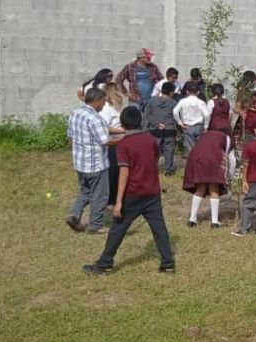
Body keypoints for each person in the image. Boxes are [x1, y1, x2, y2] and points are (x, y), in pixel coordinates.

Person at [83, 106, 175, 275]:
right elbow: (155, 160)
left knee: (117, 229)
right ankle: (167, 263)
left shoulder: (124, 145)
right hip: (152, 192)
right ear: (140, 121)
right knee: (159, 228)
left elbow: (124, 174)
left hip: (133, 194)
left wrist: (118, 202)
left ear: (122, 124)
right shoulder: (150, 139)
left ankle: (104, 264)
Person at [66, 87, 112, 234]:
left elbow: (70, 138)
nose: (104, 105)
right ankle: (95, 225)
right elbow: (105, 141)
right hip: (96, 165)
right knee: (100, 195)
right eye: (103, 101)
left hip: (80, 163)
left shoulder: (75, 113)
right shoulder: (96, 119)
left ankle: (74, 214)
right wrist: (124, 139)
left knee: (85, 191)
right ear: (97, 101)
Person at [183, 129, 230, 228]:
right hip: (213, 159)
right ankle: (214, 222)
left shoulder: (205, 135)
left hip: (198, 158)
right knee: (214, 188)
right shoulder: (225, 137)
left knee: (200, 187)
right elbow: (226, 154)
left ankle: (192, 219)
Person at [98, 84, 126, 206]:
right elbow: (104, 128)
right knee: (113, 172)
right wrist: (122, 131)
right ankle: (111, 199)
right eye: (119, 90)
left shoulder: (115, 107)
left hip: (120, 142)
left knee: (119, 171)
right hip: (112, 144)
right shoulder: (106, 109)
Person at [144, 81, 179, 175]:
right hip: (169, 129)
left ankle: (152, 169)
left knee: (154, 151)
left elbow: (147, 115)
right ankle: (169, 170)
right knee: (169, 150)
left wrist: (156, 124)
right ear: (171, 92)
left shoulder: (152, 101)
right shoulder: (174, 103)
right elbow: (176, 117)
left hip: (154, 130)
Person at [173, 82, 210, 156]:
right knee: (199, 146)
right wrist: (206, 126)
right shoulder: (201, 102)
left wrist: (180, 123)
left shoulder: (182, 101)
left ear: (187, 91)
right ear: (198, 92)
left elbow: (175, 112)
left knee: (190, 148)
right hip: (199, 126)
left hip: (187, 126)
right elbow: (206, 114)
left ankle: (191, 160)